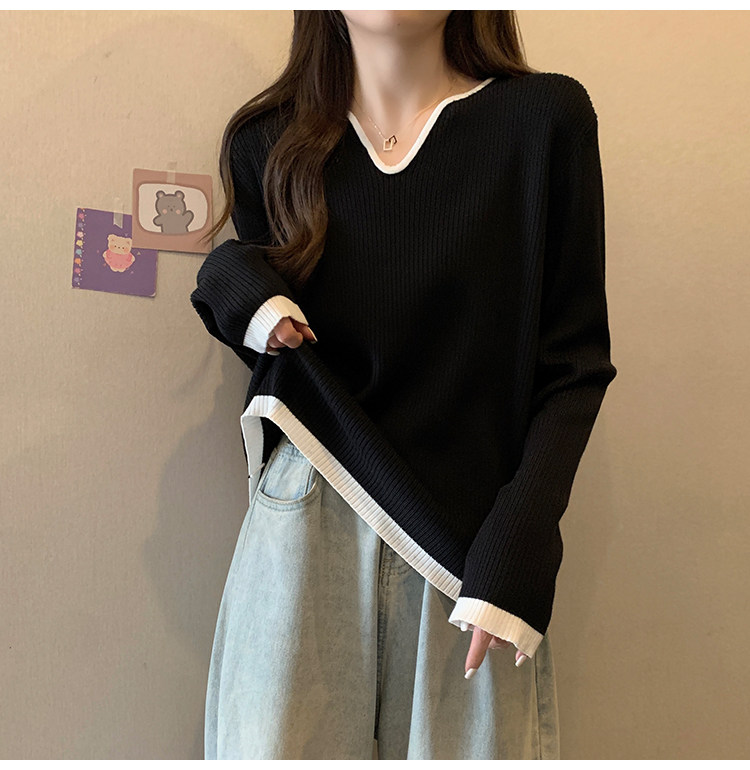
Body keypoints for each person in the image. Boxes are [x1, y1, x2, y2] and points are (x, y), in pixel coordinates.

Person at [190, 10, 617, 760]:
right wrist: (230, 280)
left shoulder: (544, 120)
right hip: (306, 515)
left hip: (470, 551)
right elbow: (259, 304)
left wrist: (521, 541)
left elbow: (574, 365)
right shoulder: (268, 139)